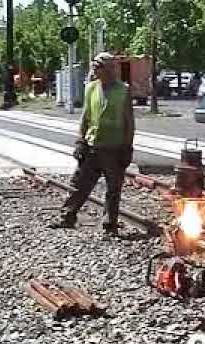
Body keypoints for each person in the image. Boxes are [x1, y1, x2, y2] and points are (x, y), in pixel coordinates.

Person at [50, 52, 135, 234]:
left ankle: (109, 224)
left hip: (114, 148)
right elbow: (85, 117)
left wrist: (128, 147)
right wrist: (80, 140)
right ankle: (67, 217)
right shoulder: (90, 88)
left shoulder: (123, 90)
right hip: (92, 146)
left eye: (98, 67)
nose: (94, 70)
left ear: (110, 69)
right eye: (94, 67)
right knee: (79, 184)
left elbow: (129, 122)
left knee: (113, 188)